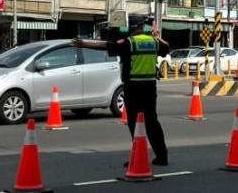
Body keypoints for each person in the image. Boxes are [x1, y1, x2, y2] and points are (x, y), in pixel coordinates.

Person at [73, 17, 171, 166]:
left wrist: (84, 44)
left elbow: (106, 46)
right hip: (150, 87)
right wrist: (158, 36)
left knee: (134, 122)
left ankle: (139, 155)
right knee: (152, 122)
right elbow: (166, 48)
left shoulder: (129, 43)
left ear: (131, 29)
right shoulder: (154, 42)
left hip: (133, 87)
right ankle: (162, 156)